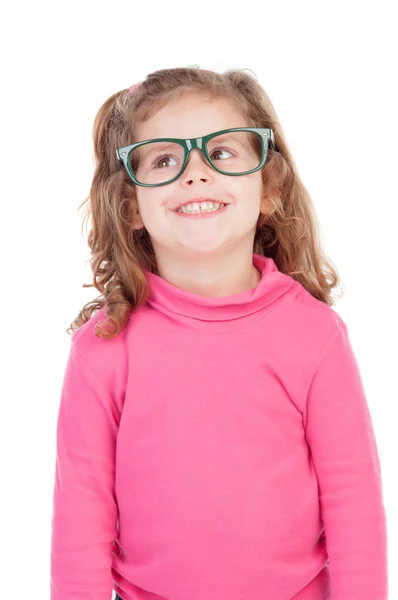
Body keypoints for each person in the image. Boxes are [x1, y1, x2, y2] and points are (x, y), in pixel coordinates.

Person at [50, 66, 388, 600]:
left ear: (269, 187)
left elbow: (354, 504)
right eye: (164, 159)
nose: (195, 174)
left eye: (222, 152)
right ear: (131, 206)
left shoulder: (314, 333)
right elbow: (80, 524)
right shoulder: (104, 348)